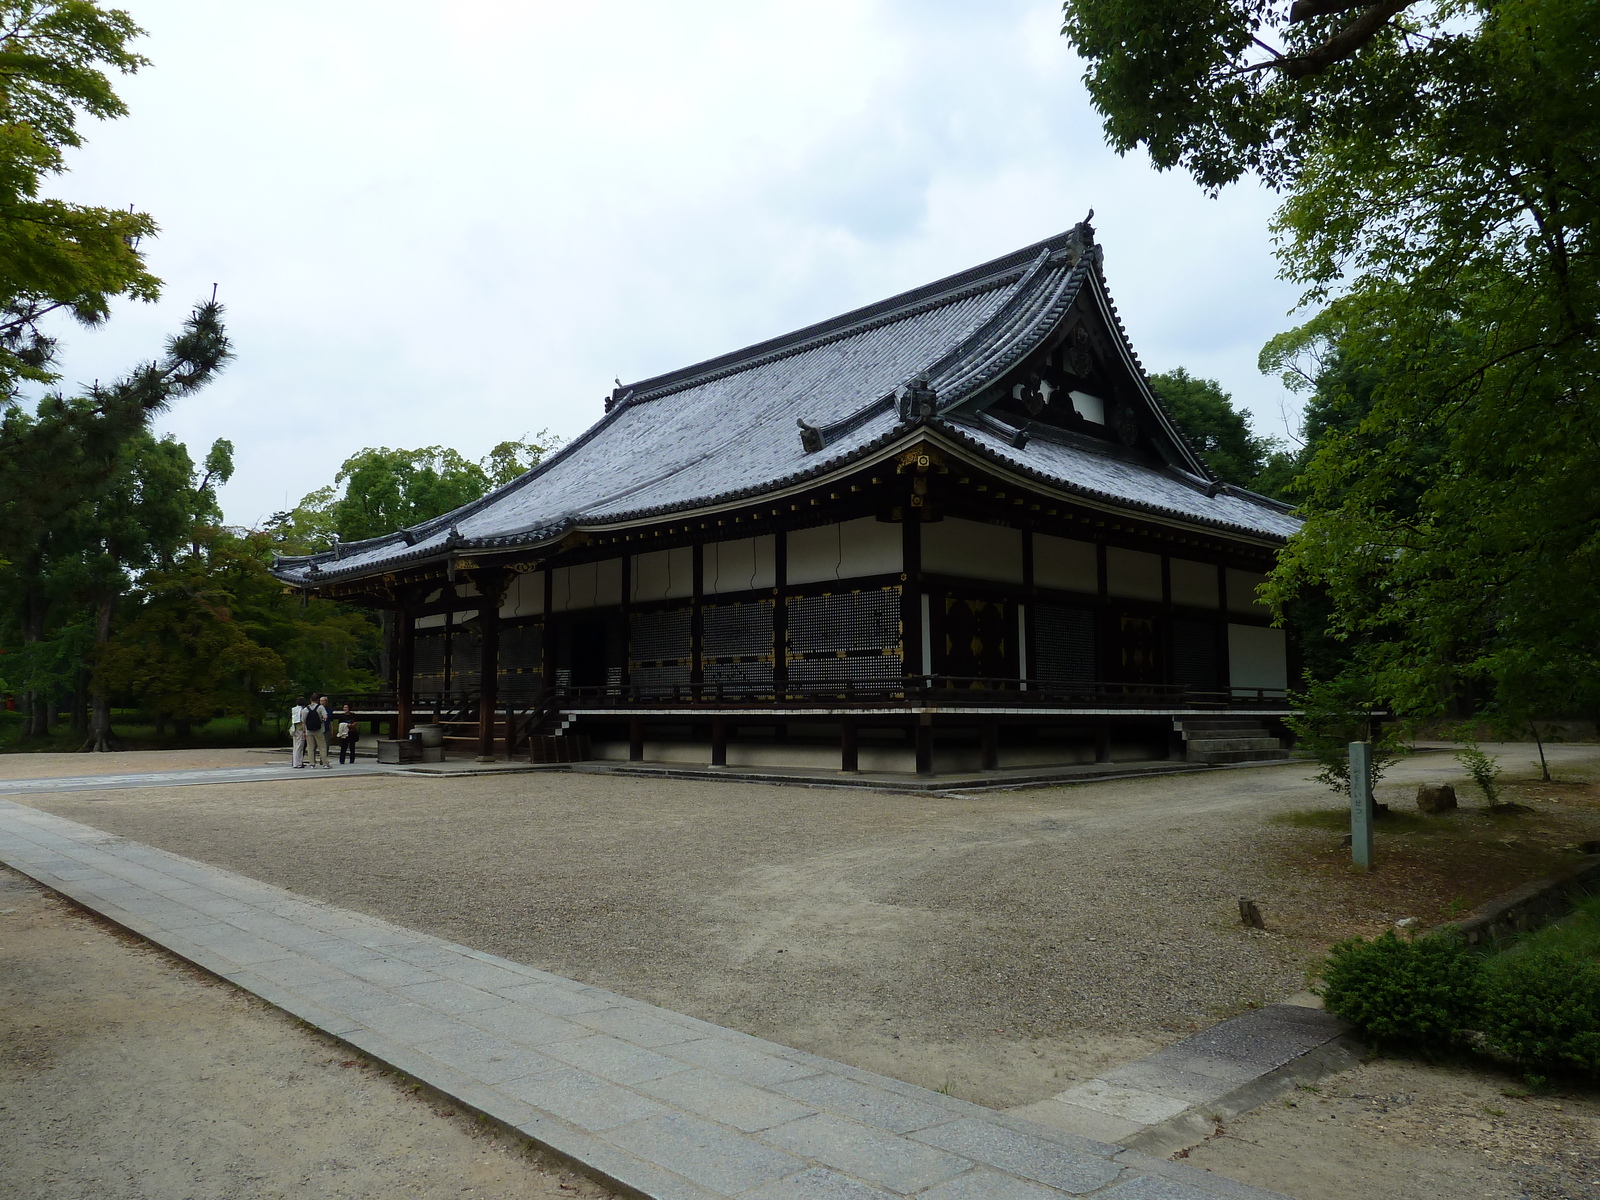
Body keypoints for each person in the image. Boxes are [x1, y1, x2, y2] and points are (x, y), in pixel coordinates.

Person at [305, 695, 330, 768]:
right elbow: (325, 716)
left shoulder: (306, 709)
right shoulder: (320, 707)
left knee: (310, 747)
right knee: (322, 747)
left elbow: (303, 720)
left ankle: (312, 763)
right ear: (318, 700)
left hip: (309, 730)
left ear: (310, 699)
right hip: (319, 730)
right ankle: (325, 763)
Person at [290, 696, 308, 768]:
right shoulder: (302, 710)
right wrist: (304, 731)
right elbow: (303, 721)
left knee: (295, 746)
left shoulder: (294, 709)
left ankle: (295, 762)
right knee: (299, 746)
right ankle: (298, 763)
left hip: (294, 728)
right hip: (300, 729)